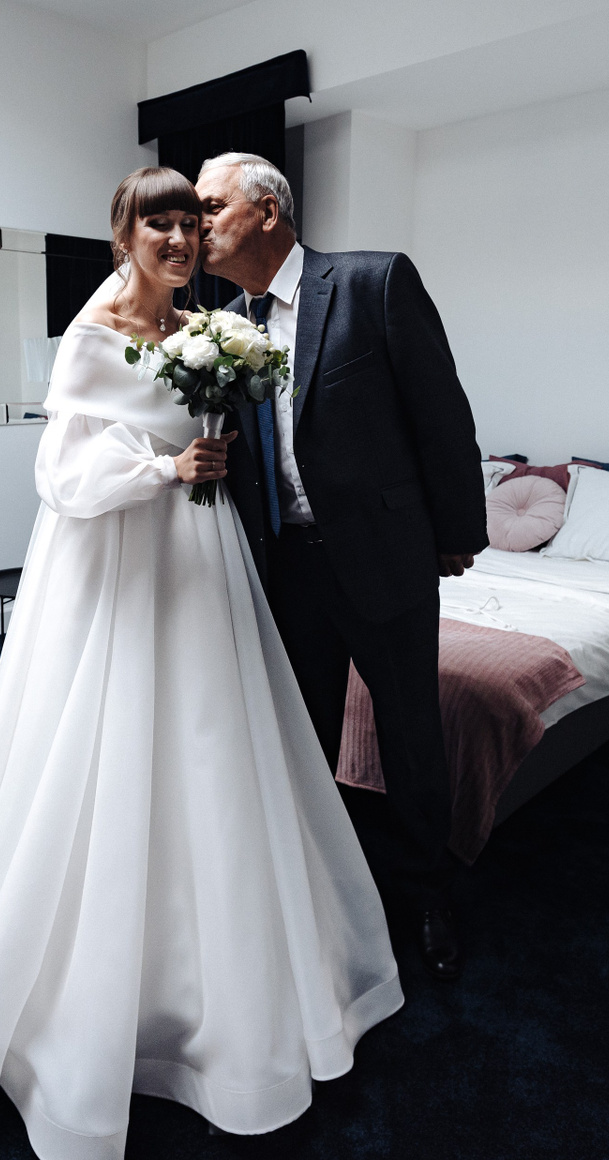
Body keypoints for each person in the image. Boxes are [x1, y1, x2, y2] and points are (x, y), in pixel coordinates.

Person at [0, 166, 402, 1159]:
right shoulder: (94, 335)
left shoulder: (206, 327)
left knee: (213, 742)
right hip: (120, 561)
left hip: (203, 554)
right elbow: (61, 475)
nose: (179, 239)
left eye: (189, 223)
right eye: (158, 224)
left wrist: (204, 459)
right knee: (112, 738)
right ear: (123, 235)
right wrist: (164, 467)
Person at [194, 152, 487, 982]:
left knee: (410, 733)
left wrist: (457, 531)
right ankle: (315, 886)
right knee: (302, 732)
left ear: (268, 211)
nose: (197, 223)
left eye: (212, 206)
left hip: (385, 556)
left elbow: (441, 413)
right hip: (287, 566)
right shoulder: (222, 326)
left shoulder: (373, 282)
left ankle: (426, 891)